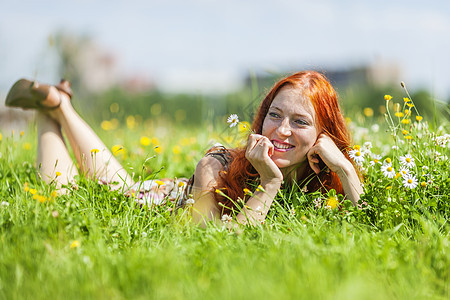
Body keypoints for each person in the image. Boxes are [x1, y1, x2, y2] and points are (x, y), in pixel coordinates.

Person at [5, 71, 363, 226]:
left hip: (151, 192)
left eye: (300, 122)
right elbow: (213, 239)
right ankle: (50, 111)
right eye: (274, 115)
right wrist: (270, 183)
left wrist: (345, 168)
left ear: (323, 133)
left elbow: (366, 221)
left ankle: (58, 103)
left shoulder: (322, 180)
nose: (281, 130)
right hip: (151, 202)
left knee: (111, 179)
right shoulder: (218, 161)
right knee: (63, 194)